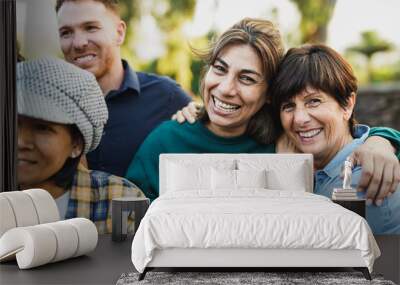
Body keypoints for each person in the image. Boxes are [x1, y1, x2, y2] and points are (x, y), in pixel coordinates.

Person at [124, 18, 400, 204]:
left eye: (246, 78)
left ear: (269, 95)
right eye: (219, 69)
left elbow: (346, 141)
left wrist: (382, 141)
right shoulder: (164, 142)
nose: (225, 88)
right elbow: (130, 224)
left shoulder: (287, 139)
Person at [270, 44, 399, 234]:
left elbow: (294, 242)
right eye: (288, 106)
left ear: (347, 105)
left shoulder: (362, 181)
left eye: (313, 101)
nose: (299, 119)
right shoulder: (320, 171)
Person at [55, 0, 192, 177]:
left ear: (119, 33)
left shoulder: (168, 98)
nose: (78, 43)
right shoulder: (48, 106)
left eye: (90, 28)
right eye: (66, 33)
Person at [17, 57, 144, 234]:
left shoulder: (119, 201)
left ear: (76, 144)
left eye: (42, 128)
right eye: (13, 124)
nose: (20, 142)